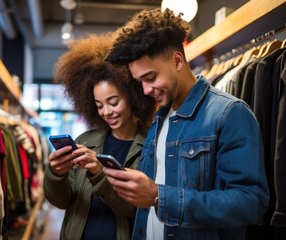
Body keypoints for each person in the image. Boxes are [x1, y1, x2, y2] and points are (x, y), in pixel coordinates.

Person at [103, 8, 270, 240]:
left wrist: (159, 197)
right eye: (139, 81)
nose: (146, 90)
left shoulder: (229, 113)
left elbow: (250, 202)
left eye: (150, 78)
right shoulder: (158, 117)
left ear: (177, 60)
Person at [43, 33, 156, 240]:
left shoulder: (150, 146)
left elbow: (132, 209)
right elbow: (62, 201)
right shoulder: (86, 140)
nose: (106, 112)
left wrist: (99, 172)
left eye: (113, 102)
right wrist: (56, 174)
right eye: (99, 105)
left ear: (133, 97)